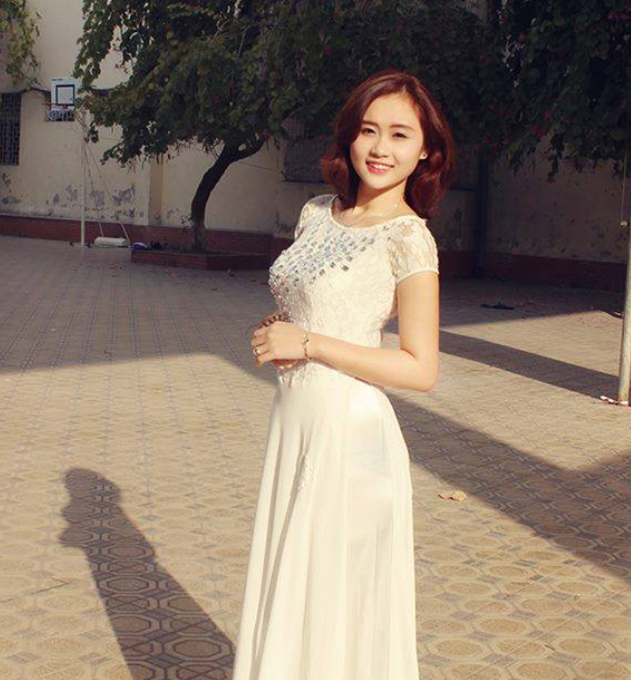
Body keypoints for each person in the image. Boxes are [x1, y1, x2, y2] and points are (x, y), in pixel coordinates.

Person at [233, 69, 455, 680]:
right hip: (295, 424)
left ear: (425, 151)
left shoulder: (409, 239)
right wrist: (286, 330)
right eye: (368, 130)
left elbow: (421, 368)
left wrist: (309, 342)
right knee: (294, 587)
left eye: (400, 135)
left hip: (350, 437)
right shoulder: (315, 214)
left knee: (338, 601)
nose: (381, 148)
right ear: (349, 137)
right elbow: (317, 306)